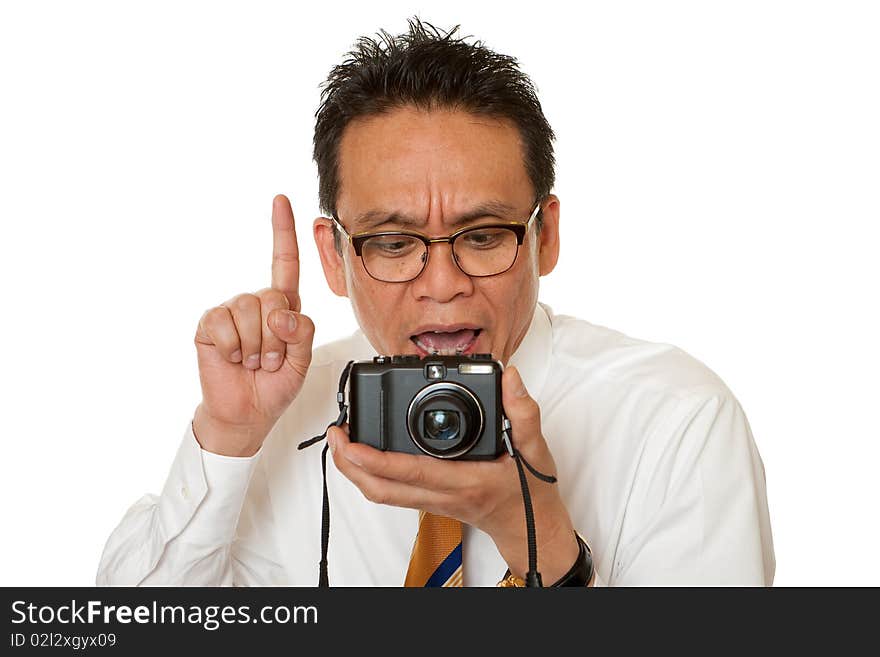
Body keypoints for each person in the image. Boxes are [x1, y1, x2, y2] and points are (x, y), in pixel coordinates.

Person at [96, 19, 774, 587]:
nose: (442, 282)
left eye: (482, 236)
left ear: (547, 237)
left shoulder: (677, 420)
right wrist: (228, 439)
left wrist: (536, 542)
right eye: (393, 243)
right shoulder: (284, 414)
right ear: (334, 255)